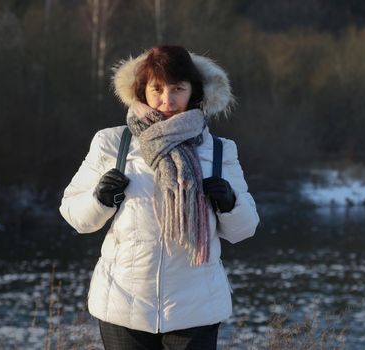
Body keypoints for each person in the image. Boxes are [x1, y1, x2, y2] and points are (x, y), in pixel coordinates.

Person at [59, 45, 259, 349]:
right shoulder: (113, 143)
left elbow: (244, 230)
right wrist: (100, 199)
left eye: (178, 88)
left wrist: (229, 203)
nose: (167, 100)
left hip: (196, 307)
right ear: (142, 91)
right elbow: (75, 215)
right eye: (158, 89)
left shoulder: (219, 150)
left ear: (193, 91)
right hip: (123, 303)